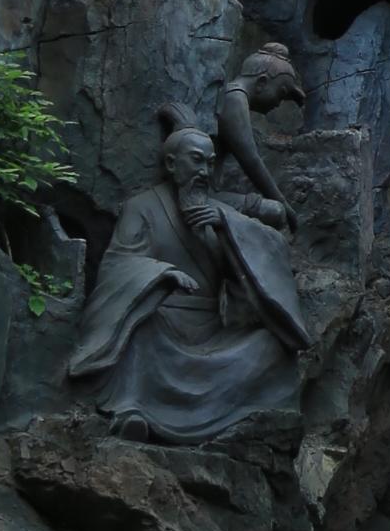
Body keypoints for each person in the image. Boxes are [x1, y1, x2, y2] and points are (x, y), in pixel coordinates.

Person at [67, 108, 316, 443]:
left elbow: (263, 263)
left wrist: (230, 228)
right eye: (196, 161)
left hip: (213, 335)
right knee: (139, 330)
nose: (204, 172)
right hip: (162, 325)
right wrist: (161, 275)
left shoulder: (222, 211)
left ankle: (237, 417)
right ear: (171, 164)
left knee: (272, 345)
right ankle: (133, 410)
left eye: (210, 163)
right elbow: (117, 265)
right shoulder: (142, 207)